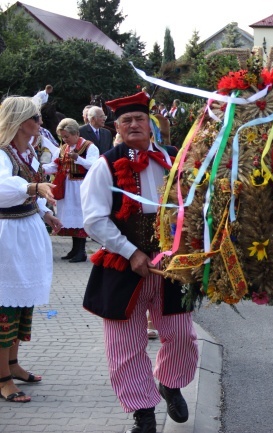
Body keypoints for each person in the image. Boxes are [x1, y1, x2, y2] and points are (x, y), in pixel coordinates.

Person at [80, 92, 198, 433]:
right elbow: (94, 219)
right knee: (125, 345)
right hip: (123, 263)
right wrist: (131, 252)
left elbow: (195, 204)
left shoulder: (175, 159)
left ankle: (170, 383)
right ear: (117, 127)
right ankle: (143, 412)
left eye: (139, 119)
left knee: (181, 335)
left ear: (151, 125)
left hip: (171, 265)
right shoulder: (106, 163)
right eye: (126, 120)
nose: (134, 125)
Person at [0, 96, 61, 403]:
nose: (40, 123)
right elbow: (3, 189)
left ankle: (13, 364)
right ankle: (2, 378)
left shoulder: (25, 154)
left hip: (24, 232)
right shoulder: (1, 154)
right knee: (4, 306)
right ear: (22, 121)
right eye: (36, 118)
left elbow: (31, 189)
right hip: (6, 236)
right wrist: (33, 189)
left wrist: (44, 212)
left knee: (21, 303)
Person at [45, 118, 99, 263]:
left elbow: (94, 165)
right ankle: (75, 249)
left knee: (80, 218)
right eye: (62, 137)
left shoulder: (89, 147)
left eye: (67, 136)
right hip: (67, 187)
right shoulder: (63, 148)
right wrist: (40, 168)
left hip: (81, 186)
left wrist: (78, 159)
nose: (64, 139)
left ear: (75, 133)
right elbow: (55, 166)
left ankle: (81, 252)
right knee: (70, 219)